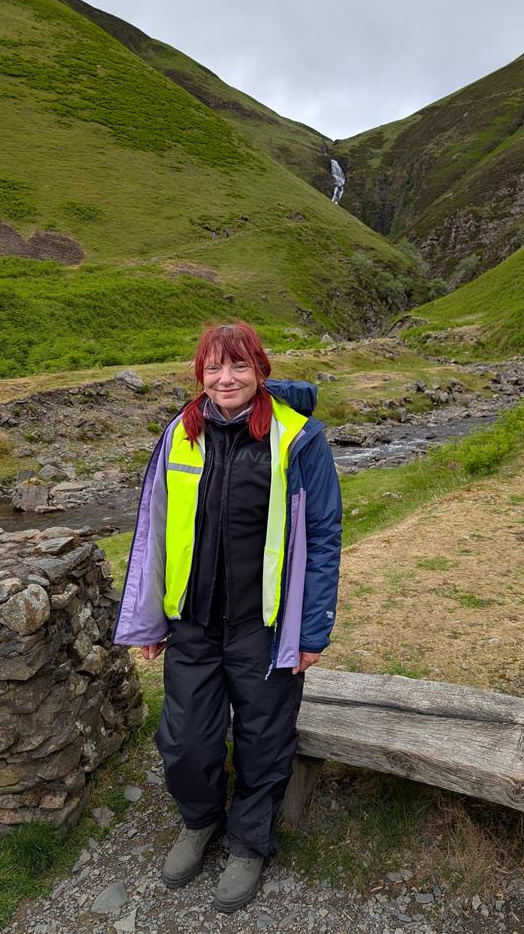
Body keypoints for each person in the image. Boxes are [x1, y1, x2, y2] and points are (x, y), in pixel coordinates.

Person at [111, 321, 343, 913]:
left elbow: (322, 535)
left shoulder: (299, 438)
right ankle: (200, 821)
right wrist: (148, 620)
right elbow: (154, 530)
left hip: (262, 626)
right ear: (199, 374)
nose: (225, 378)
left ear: (260, 370)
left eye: (238, 366)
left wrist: (312, 629)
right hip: (192, 622)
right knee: (185, 741)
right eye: (214, 367)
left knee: (265, 739)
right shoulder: (179, 434)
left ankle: (248, 843)